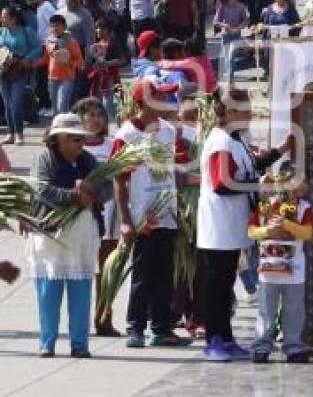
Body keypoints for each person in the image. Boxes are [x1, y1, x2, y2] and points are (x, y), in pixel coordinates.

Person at [197, 88, 292, 361]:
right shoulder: (219, 142)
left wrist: (280, 151)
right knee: (217, 286)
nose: (250, 117)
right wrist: (255, 186)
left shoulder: (236, 140)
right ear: (229, 112)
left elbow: (252, 167)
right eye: (245, 112)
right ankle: (214, 340)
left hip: (234, 225)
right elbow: (222, 183)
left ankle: (226, 339)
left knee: (226, 284)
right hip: (218, 226)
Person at [114, 79, 192, 349]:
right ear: (145, 101)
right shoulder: (126, 135)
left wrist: (180, 207)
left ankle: (162, 328)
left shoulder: (169, 131)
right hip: (142, 216)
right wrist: (125, 220)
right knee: (142, 274)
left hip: (167, 212)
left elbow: (174, 171)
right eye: (160, 96)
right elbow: (119, 180)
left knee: (164, 274)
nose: (167, 102)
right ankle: (135, 326)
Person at [28, 113, 110, 358]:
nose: (79, 144)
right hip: (50, 236)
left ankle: (79, 344)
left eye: (80, 139)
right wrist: (74, 196)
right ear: (58, 139)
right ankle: (47, 342)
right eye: (74, 139)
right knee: (48, 291)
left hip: (82, 237)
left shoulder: (89, 161)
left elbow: (106, 187)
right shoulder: (44, 160)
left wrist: (91, 192)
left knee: (81, 291)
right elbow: (41, 189)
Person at [249, 179, 313, 364]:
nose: (298, 187)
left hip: (294, 270)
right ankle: (262, 346)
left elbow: (308, 233)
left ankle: (294, 346)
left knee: (293, 311)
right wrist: (266, 230)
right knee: (266, 310)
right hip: (269, 269)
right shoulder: (265, 206)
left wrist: (287, 224)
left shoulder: (304, 208)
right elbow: (251, 231)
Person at [72, 98, 120, 337]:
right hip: (79, 218)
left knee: (107, 269)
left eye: (100, 114)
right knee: (80, 271)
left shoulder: (113, 145)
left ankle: (103, 319)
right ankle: (77, 322)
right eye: (89, 115)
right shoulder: (72, 146)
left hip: (110, 216)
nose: (95, 119)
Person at [0, 6, 42, 144]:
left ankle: (19, 133)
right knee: (7, 103)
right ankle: (10, 133)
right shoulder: (2, 31)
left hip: (19, 70)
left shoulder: (26, 30)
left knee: (16, 102)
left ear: (14, 18)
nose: (2, 19)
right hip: (4, 70)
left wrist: (27, 58)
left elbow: (37, 47)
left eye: (5, 16)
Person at [34, 14, 83, 116]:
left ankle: (64, 129)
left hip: (67, 78)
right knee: (55, 109)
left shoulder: (71, 41)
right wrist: (33, 63)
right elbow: (46, 59)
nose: (55, 28)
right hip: (52, 78)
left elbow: (79, 60)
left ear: (64, 27)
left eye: (58, 25)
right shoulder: (48, 41)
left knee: (62, 106)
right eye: (52, 26)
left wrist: (69, 62)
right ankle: (58, 129)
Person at [214, 0, 250, 85]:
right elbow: (215, 21)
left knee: (230, 58)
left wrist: (238, 27)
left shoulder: (241, 6)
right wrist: (225, 25)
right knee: (227, 59)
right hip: (225, 35)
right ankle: (230, 78)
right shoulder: (222, 6)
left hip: (236, 35)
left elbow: (246, 20)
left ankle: (230, 82)